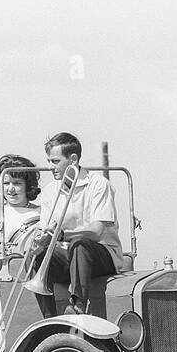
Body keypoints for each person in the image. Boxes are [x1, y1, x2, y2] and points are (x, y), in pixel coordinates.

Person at [30, 132, 125, 315]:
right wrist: (41, 241)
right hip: (69, 256)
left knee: (79, 244)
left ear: (73, 160)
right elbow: (46, 229)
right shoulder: (49, 191)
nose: (50, 167)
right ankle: (49, 320)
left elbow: (96, 232)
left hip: (102, 256)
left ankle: (77, 306)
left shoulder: (99, 184)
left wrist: (62, 235)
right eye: (49, 161)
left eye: (55, 161)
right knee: (38, 254)